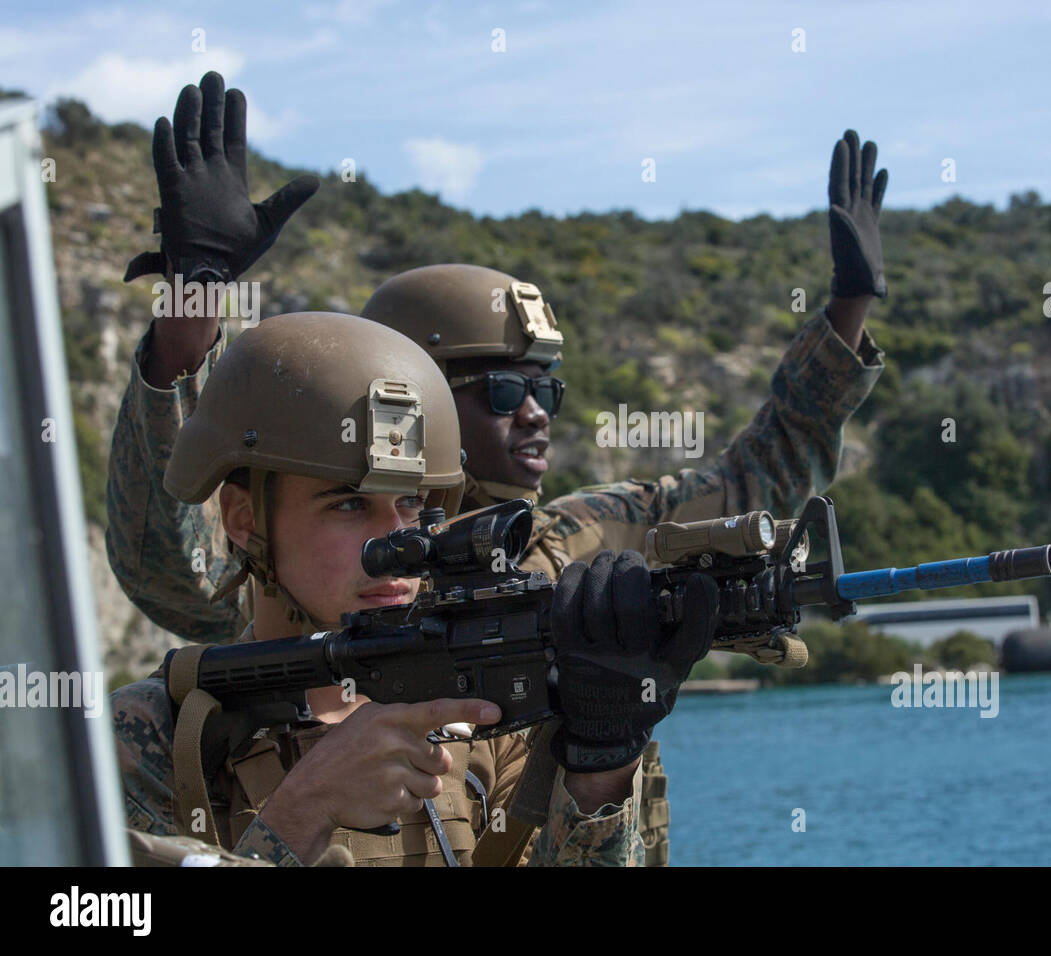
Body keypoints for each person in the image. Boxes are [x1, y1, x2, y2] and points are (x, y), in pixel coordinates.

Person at [107, 70, 889, 863]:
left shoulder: (566, 548)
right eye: (506, 387)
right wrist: (190, 311)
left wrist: (601, 760)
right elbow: (174, 550)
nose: (536, 410)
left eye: (547, 386)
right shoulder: (180, 731)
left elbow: (753, 484)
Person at [110, 309, 717, 866]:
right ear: (243, 520)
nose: (396, 546)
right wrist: (301, 815)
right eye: (348, 505)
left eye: (410, 504)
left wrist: (603, 769)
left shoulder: (491, 720)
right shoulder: (159, 734)